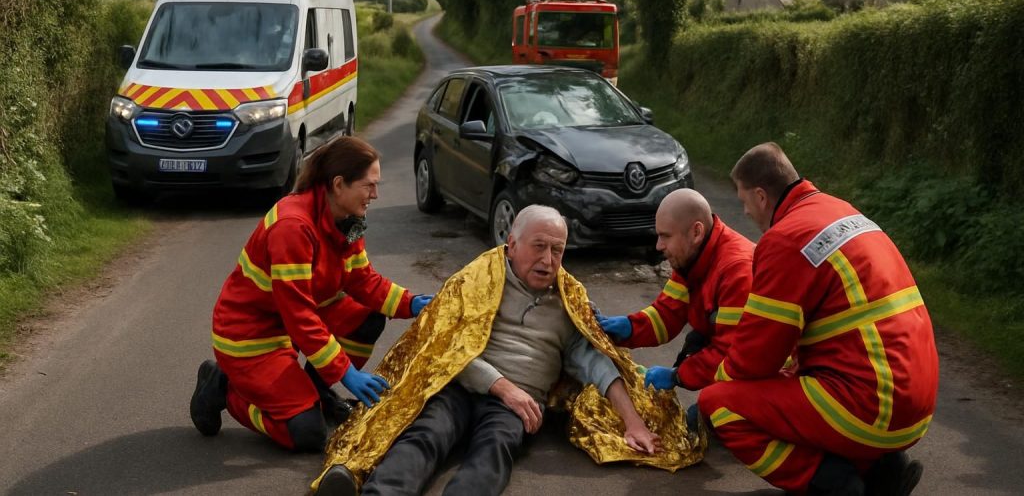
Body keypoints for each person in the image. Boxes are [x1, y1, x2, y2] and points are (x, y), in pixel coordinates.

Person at [312, 205, 703, 496]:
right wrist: (502, 386)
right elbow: (445, 348)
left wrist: (633, 422)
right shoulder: (477, 279)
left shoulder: (569, 300)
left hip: (517, 405)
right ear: (511, 245)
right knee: (427, 434)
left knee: (495, 449)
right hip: (461, 386)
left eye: (558, 250)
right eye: (538, 247)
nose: (548, 260)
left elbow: (594, 361)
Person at [697, 143, 938, 495]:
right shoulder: (840, 210)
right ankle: (882, 470)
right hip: (916, 403)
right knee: (795, 376)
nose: (745, 213)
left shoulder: (785, 239)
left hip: (873, 409)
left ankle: (833, 484)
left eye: (744, 204)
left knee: (719, 403)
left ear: (761, 197)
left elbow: (755, 358)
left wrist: (713, 385)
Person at [189, 135, 432, 452]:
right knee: (307, 433)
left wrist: (411, 303)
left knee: (369, 316)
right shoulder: (293, 226)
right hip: (250, 336)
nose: (375, 194)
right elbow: (299, 316)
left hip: (292, 321)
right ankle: (225, 389)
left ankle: (318, 393)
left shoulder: (346, 217)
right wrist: (346, 372)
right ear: (339, 184)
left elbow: (361, 279)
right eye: (369, 185)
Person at [596, 189, 753, 400]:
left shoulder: (738, 271)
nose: (659, 246)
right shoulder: (691, 256)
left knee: (711, 415)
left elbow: (731, 354)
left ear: (696, 232)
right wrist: (629, 327)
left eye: (665, 236)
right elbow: (667, 314)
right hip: (738, 363)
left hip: (765, 375)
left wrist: (679, 375)